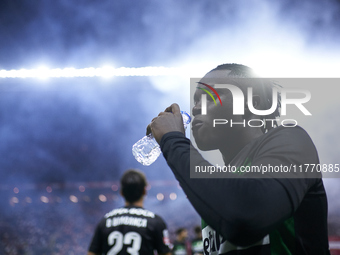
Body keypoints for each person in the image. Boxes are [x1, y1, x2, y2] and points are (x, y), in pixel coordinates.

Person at [147, 64, 330, 254]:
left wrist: (173, 140)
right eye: (195, 101)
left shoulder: (292, 139)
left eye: (209, 97)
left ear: (252, 103)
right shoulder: (221, 186)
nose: (195, 109)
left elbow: (246, 217)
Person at [87, 169, 172, 255]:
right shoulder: (155, 222)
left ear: (121, 192)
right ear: (144, 191)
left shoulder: (105, 221)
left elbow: (91, 253)